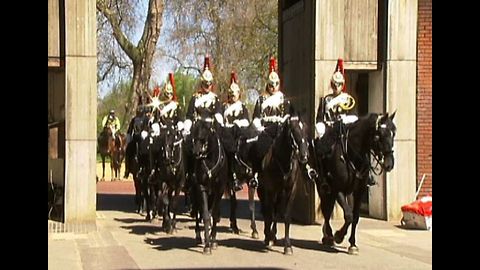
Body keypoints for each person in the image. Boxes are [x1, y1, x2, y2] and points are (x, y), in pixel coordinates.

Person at [314, 58, 375, 186]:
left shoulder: (348, 99)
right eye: (334, 84)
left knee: (360, 147)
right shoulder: (325, 100)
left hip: (345, 130)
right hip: (331, 131)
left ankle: (367, 174)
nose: (336, 87)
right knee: (320, 150)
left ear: (343, 85)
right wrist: (321, 128)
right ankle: (323, 175)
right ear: (331, 84)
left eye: (339, 84)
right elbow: (319, 118)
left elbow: (353, 116)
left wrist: (345, 120)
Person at [250, 56, 293, 187]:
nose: (273, 87)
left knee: (295, 147)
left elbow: (288, 115)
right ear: (268, 85)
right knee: (258, 149)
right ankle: (255, 174)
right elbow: (256, 117)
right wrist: (259, 127)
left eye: (276, 84)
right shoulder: (261, 99)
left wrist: (284, 122)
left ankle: (302, 170)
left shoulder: (284, 99)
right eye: (271, 85)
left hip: (280, 129)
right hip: (266, 130)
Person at [222, 71, 250, 191]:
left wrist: (237, 125)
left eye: (235, 94)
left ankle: (250, 173)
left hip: (239, 134)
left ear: (239, 94)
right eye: (231, 94)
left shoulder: (242, 107)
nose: (233, 96)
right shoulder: (224, 107)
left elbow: (246, 121)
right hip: (227, 135)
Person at [183, 55, 224, 135]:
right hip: (197, 128)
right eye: (205, 84)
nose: (207, 87)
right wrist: (187, 126)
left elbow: (218, 112)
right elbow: (189, 115)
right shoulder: (195, 98)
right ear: (202, 84)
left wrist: (219, 120)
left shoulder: (215, 98)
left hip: (211, 128)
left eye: (209, 84)